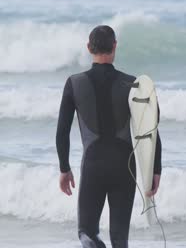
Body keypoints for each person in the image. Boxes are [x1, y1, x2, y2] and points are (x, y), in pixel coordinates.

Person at [56, 25, 162, 248]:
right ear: (114, 46)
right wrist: (155, 169)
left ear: (88, 48)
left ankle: (93, 244)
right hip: (125, 167)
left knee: (86, 232)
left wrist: (64, 168)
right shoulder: (134, 84)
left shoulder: (74, 83)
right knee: (120, 238)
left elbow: (62, 131)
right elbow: (151, 128)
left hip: (93, 164)